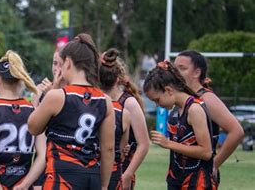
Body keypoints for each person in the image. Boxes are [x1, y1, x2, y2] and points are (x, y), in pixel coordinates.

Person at [28, 34, 115, 189]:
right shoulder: (105, 100)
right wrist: (104, 185)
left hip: (62, 174)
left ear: (67, 62)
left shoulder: (57, 96)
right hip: (92, 175)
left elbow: (33, 127)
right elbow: (108, 149)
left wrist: (54, 87)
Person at [0, 50, 46, 190]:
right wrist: (25, 185)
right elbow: (42, 155)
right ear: (21, 81)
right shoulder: (34, 111)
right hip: (22, 183)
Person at [174, 50, 244, 182]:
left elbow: (237, 131)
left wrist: (215, 163)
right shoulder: (184, 97)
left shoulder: (206, 98)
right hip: (180, 174)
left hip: (200, 178)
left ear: (196, 72)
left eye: (181, 68)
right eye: (174, 68)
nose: (175, 73)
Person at [145, 61, 216, 189]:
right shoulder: (175, 112)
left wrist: (168, 144)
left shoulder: (194, 109)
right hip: (176, 177)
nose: (157, 105)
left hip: (196, 181)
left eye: (157, 100)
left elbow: (206, 152)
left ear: (168, 90)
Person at [100, 48, 150, 190]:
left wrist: (128, 174)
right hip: (97, 168)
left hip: (120, 170)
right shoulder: (97, 100)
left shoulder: (128, 103)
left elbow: (143, 144)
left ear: (117, 78)